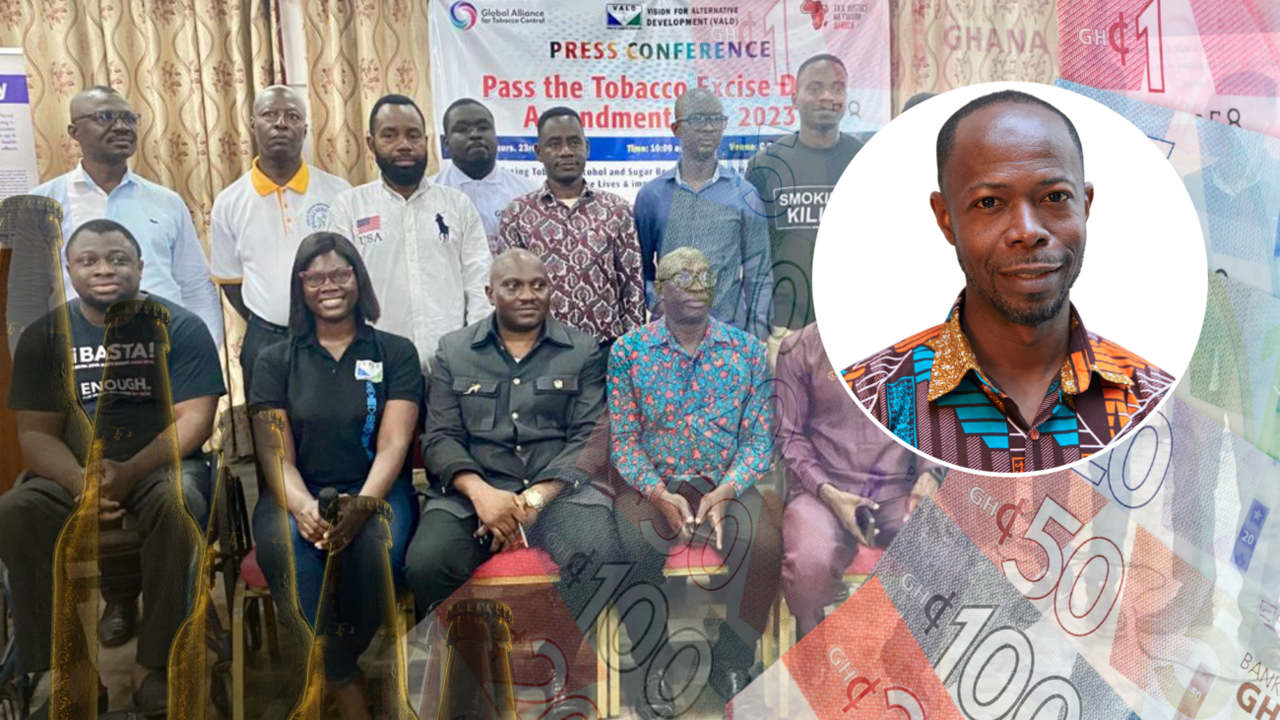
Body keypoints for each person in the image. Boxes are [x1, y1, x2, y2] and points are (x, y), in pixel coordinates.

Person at [843, 90, 1174, 473]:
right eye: (989, 203)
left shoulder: (1152, 401)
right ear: (945, 217)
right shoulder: (873, 398)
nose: (1027, 231)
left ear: (1085, 206)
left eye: (1054, 196)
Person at [0, 218, 223, 717]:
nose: (105, 269)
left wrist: (132, 471)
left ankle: (154, 666)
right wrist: (78, 482)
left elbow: (197, 418)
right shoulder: (44, 337)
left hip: (159, 463)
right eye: (89, 260)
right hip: (71, 470)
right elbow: (35, 433)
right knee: (14, 510)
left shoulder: (181, 327)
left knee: (182, 501)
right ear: (70, 270)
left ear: (140, 267)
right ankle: (73, 670)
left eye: (119, 259)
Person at [249, 231, 423, 720]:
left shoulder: (395, 352)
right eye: (315, 276)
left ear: (358, 280)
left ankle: (332, 666)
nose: (329, 285)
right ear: (300, 286)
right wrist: (303, 508)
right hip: (295, 493)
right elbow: (274, 453)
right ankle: (347, 686)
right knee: (292, 554)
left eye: (341, 273)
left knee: (378, 558)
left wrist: (365, 502)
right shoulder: (274, 359)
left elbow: (394, 443)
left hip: (378, 491)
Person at [608, 247, 781, 701]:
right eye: (683, 277)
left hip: (726, 482)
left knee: (763, 544)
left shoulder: (745, 350)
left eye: (705, 275)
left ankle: (733, 657)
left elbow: (758, 439)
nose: (698, 285)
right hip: (653, 485)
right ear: (660, 289)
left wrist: (727, 489)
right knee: (628, 543)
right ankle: (652, 658)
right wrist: (658, 492)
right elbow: (624, 441)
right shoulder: (629, 351)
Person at [774, 323, 943, 639]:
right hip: (823, 491)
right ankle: (814, 649)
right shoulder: (798, 348)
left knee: (943, 552)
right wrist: (829, 492)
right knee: (808, 563)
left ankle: (910, 652)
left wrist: (929, 473)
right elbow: (790, 437)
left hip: (898, 489)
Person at [32, 85, 223, 345]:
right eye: (105, 117)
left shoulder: (166, 202)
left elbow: (195, 286)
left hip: (163, 349)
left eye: (129, 118)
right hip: (79, 355)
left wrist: (204, 347)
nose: (122, 127)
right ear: (74, 132)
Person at [328, 93, 491, 374]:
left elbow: (479, 281)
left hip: (451, 364)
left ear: (425, 142)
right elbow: (340, 289)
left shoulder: (456, 205)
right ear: (371, 143)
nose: (404, 145)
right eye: (390, 136)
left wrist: (473, 350)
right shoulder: (350, 207)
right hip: (376, 362)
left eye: (413, 135)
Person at [211, 85, 351, 396]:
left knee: (334, 431)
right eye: (269, 115)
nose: (280, 123)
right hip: (265, 339)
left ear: (305, 129)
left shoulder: (338, 192)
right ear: (252, 125)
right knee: (269, 434)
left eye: (292, 116)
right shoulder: (229, 201)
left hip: (331, 334)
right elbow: (232, 283)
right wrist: (272, 317)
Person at [744, 54, 863, 358]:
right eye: (815, 87)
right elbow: (754, 253)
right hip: (786, 328)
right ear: (795, 98)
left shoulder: (865, 160)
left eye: (837, 88)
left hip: (852, 327)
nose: (827, 96)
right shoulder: (765, 164)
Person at [496, 107, 645, 345]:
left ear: (586, 147)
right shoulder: (517, 214)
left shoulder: (617, 210)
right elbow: (510, 290)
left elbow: (632, 287)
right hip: (541, 351)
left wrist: (631, 351)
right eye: (554, 144)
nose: (566, 151)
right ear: (539, 152)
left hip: (604, 350)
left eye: (574, 142)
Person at [634, 88, 773, 340]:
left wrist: (756, 338)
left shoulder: (744, 195)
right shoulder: (651, 197)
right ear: (676, 129)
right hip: (668, 338)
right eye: (698, 119)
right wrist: (657, 302)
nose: (709, 128)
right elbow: (639, 269)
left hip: (729, 337)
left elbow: (759, 273)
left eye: (716, 120)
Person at [430, 98, 537, 254]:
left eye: (483, 127)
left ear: (495, 135)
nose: (475, 135)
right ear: (446, 142)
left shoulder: (529, 192)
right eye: (462, 129)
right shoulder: (429, 193)